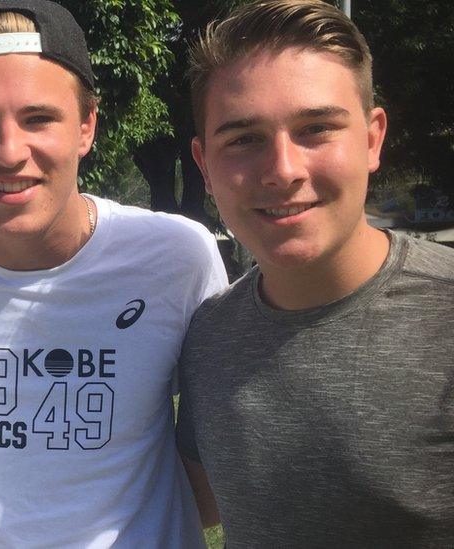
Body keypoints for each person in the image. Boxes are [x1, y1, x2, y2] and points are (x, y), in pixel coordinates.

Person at [0, 1, 227, 546]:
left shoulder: (175, 257)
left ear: (86, 127)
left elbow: (222, 452)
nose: (9, 152)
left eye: (38, 119)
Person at [177, 0, 454, 546]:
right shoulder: (208, 337)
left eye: (316, 128)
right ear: (205, 165)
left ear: (372, 139)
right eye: (243, 139)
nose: (282, 170)